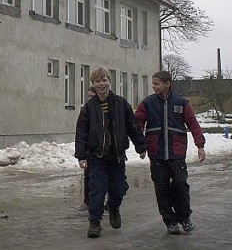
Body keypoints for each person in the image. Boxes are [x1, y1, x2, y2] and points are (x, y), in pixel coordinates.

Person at [74, 67, 147, 238]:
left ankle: (113, 208)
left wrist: (141, 146)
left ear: (110, 82)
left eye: (104, 80)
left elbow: (133, 127)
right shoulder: (88, 108)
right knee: (97, 189)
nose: (102, 84)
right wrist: (81, 155)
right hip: (96, 156)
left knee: (118, 188)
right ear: (93, 84)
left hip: (117, 155)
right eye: (98, 81)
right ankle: (94, 222)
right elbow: (81, 133)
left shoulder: (121, 104)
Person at [135, 70, 206, 235]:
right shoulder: (148, 103)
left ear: (168, 84)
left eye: (157, 84)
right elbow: (137, 123)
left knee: (181, 185)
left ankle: (185, 217)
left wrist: (200, 145)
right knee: (162, 188)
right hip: (157, 154)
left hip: (177, 153)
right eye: (153, 84)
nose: (154, 87)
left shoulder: (181, 103)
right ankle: (170, 221)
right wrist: (141, 145)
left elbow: (193, 124)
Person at [77, 86, 97, 212]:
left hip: (104, 150)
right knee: (88, 176)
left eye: (92, 96)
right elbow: (81, 133)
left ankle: (110, 203)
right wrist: (81, 154)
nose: (89, 98)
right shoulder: (86, 110)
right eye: (88, 96)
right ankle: (87, 201)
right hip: (90, 149)